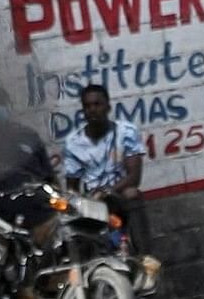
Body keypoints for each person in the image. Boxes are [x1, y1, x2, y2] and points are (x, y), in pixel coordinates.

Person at [53, 82, 147, 244]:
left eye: (97, 104)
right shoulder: (74, 142)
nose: (92, 110)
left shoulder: (126, 132)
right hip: (92, 203)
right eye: (87, 106)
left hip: (119, 197)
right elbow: (72, 187)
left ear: (108, 107)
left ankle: (145, 256)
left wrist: (106, 192)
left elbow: (134, 177)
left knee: (132, 193)